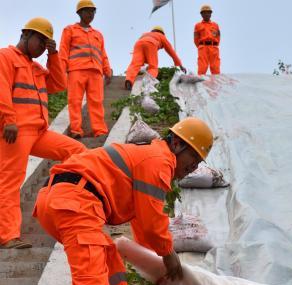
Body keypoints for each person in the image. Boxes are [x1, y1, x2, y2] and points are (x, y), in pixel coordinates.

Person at [34, 117, 213, 285]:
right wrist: (168, 256)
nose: (192, 169)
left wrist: (150, 261)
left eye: (197, 165)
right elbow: (151, 223)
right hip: (75, 204)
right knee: (92, 280)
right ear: (179, 145)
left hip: (61, 201)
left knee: (108, 257)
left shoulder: (149, 156)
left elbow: (141, 222)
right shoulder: (159, 161)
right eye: (193, 161)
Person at [0, 17, 86, 250]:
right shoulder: (5, 57)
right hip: (15, 132)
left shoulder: (36, 67)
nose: (41, 47)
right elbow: (1, 89)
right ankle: (8, 235)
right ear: (25, 34)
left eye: (46, 43)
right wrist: (9, 120)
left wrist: (53, 54)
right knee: (9, 182)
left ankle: (56, 196)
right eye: (40, 41)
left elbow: (59, 84)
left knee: (77, 151)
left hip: (39, 131)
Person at [59, 0, 112, 138]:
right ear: (79, 13)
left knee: (96, 101)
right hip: (76, 70)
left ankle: (99, 130)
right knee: (75, 101)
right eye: (88, 10)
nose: (91, 13)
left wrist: (107, 70)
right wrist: (61, 70)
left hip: (95, 72)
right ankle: (76, 130)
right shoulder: (69, 30)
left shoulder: (98, 34)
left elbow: (102, 53)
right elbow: (63, 51)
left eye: (93, 11)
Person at [124, 26, 186, 90]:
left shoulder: (144, 34)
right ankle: (147, 83)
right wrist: (180, 64)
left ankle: (129, 80)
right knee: (153, 67)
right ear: (162, 32)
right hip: (151, 43)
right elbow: (171, 51)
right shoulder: (161, 36)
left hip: (138, 44)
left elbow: (143, 47)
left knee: (135, 64)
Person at [194, 4, 221, 75]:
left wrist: (214, 45)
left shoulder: (215, 25)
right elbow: (196, 38)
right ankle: (200, 82)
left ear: (211, 14)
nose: (206, 14)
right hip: (203, 48)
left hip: (214, 47)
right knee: (202, 67)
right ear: (201, 14)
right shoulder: (197, 25)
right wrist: (201, 46)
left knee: (215, 67)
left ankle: (216, 83)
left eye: (208, 12)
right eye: (204, 12)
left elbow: (218, 37)